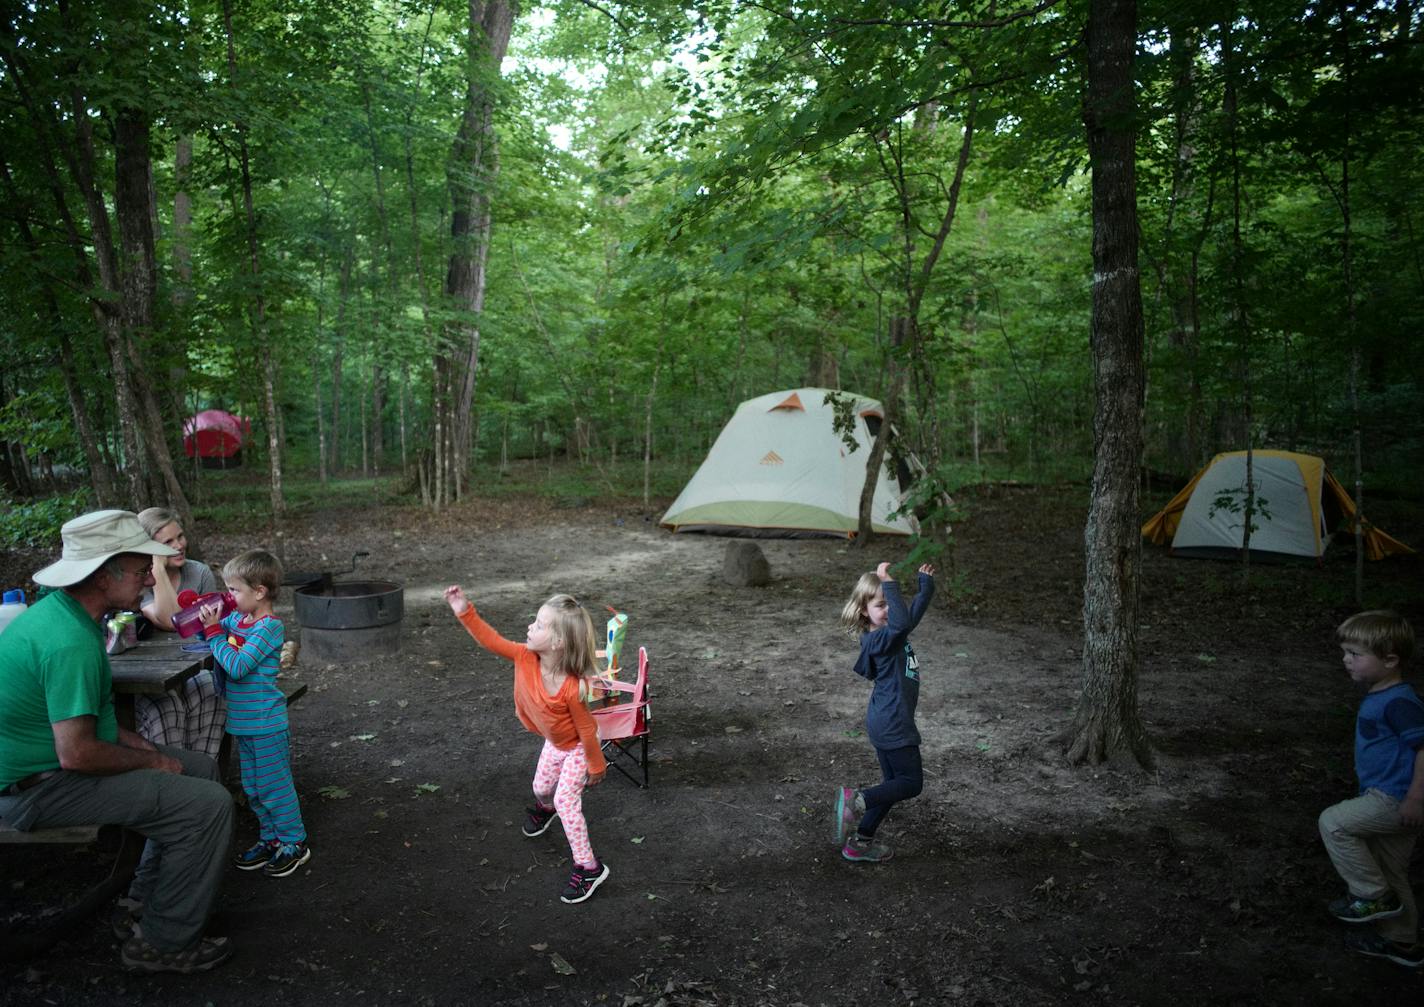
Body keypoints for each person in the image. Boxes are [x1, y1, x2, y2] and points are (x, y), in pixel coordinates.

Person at [0, 510, 234, 973]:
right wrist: (150, 764)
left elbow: (86, 723)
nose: (151, 575)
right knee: (208, 805)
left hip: (51, 767)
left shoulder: (68, 615)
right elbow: (78, 752)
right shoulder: (68, 641)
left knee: (201, 769)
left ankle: (146, 903)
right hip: (37, 788)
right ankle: (165, 945)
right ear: (104, 575)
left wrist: (142, 747)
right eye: (140, 567)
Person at [444, 586, 610, 904]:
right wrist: (463, 609)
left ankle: (589, 867)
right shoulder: (524, 656)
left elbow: (587, 728)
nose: (529, 627)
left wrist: (596, 763)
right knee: (541, 788)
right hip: (555, 742)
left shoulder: (571, 688)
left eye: (538, 623)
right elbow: (489, 640)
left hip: (577, 746)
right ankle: (544, 809)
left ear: (558, 643)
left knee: (566, 802)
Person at [1318, 610, 1424, 968]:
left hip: (1396, 800)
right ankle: (1402, 943)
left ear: (1390, 660)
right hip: (1394, 798)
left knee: (1334, 821)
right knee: (1393, 873)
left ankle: (1369, 894)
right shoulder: (1383, 695)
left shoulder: (1399, 702)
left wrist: (1415, 798)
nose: (1346, 660)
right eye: (1345, 652)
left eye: (1356, 654)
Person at [200, 549, 310, 878]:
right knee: (253, 788)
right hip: (244, 724)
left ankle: (294, 841)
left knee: (274, 786)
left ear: (259, 592)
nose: (228, 597)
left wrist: (214, 632)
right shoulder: (238, 620)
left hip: (265, 724)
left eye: (234, 590)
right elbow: (222, 632)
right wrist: (213, 621)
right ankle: (271, 838)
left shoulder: (268, 628)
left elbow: (236, 666)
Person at [834, 560, 936, 863]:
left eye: (892, 603)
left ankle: (860, 843)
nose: (890, 609)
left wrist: (924, 587)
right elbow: (904, 622)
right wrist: (887, 580)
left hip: (885, 720)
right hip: (893, 723)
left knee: (892, 787)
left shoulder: (890, 632)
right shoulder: (881, 638)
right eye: (882, 604)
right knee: (911, 784)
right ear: (865, 611)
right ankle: (857, 801)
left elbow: (907, 618)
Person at [131, 506, 226, 758]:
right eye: (168, 542)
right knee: (168, 708)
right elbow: (170, 620)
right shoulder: (140, 579)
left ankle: (205, 774)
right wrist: (158, 570)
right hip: (153, 669)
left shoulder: (199, 572)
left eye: (180, 537)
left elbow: (210, 626)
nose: (179, 545)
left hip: (196, 663)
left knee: (210, 692)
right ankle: (173, 780)